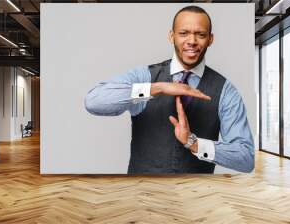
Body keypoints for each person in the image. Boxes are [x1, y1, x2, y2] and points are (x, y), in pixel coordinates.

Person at [85, 5, 254, 174]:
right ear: (171, 36)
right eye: (183, 33)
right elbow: (94, 102)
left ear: (210, 39)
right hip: (142, 194)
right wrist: (158, 88)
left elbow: (246, 158)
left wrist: (193, 143)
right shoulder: (145, 76)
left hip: (196, 196)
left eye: (200, 35)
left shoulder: (226, 91)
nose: (192, 41)